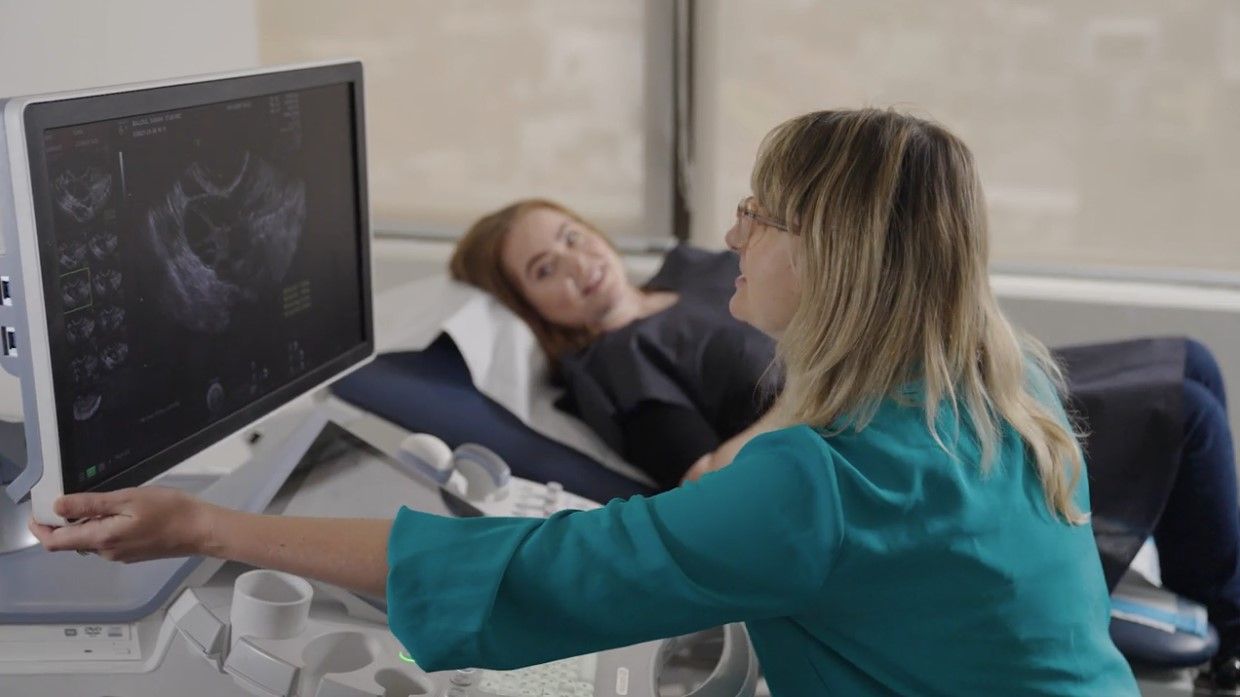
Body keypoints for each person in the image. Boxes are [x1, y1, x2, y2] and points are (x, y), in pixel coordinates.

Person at [32, 108, 1139, 694]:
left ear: (838, 257)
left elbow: (530, 573)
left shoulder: (813, 487)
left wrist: (204, 523)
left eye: (760, 215)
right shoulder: (1009, 379)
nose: (730, 234)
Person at [452, 199, 1240, 690]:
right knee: (1190, 412)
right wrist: (808, 393)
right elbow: (702, 476)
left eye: (571, 236)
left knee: (1192, 362)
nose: (577, 263)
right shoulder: (622, 360)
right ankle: (1234, 634)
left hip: (921, 372)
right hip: (887, 426)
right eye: (544, 269)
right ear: (534, 307)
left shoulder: (687, 269)